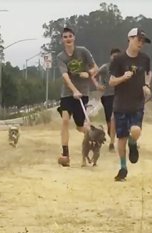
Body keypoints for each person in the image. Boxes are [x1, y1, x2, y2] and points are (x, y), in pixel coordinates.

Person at [109, 28, 152, 181]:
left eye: (142, 41)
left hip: (137, 103)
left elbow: (148, 73)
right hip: (120, 104)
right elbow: (111, 81)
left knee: (135, 131)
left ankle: (133, 144)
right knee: (121, 138)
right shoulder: (119, 59)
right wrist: (122, 78)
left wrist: (147, 85)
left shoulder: (145, 59)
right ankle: (123, 167)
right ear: (130, 39)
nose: (140, 43)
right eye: (138, 40)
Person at [57, 27, 98, 167]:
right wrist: (74, 90)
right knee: (65, 120)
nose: (68, 39)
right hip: (68, 94)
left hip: (83, 93)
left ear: (74, 38)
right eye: (65, 37)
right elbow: (65, 77)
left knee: (80, 126)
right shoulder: (60, 57)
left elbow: (95, 68)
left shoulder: (83, 51)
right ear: (62, 40)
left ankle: (95, 135)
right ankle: (65, 153)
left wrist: (88, 73)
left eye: (70, 36)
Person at [92, 48, 121, 152]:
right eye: (113, 56)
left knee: (116, 118)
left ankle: (113, 142)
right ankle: (111, 133)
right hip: (107, 96)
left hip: (119, 95)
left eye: (117, 56)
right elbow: (94, 76)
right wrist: (98, 85)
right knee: (109, 120)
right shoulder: (105, 67)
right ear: (110, 57)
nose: (115, 58)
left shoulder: (122, 68)